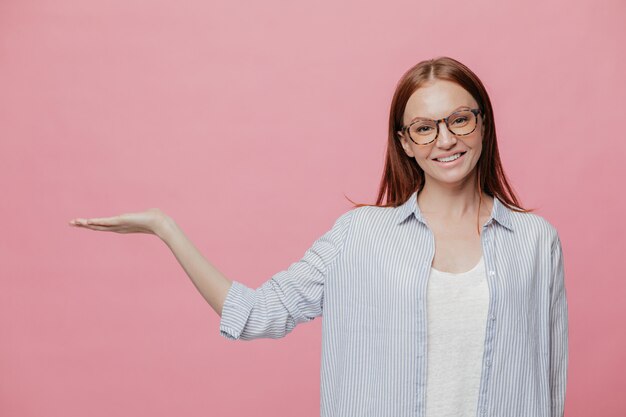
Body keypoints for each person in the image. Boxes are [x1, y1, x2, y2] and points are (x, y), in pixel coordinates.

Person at [69, 56, 568, 417]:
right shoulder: (359, 237)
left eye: (459, 119)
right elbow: (255, 314)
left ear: (482, 124)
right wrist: (165, 228)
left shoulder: (534, 241)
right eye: (423, 128)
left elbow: (549, 384)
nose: (445, 139)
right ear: (405, 144)